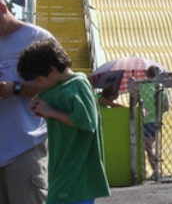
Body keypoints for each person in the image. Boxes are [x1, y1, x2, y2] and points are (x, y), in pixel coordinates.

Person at [16, 38, 110, 203]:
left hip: (77, 176)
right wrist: (43, 108)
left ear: (51, 69)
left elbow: (87, 122)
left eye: (38, 79)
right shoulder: (58, 88)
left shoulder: (79, 84)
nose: (39, 85)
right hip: (62, 172)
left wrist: (50, 111)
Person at [0, 0, 52, 204]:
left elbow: (60, 88)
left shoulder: (37, 38)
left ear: (3, 9)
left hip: (25, 146)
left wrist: (17, 88)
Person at [139, 65, 169, 175]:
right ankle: (155, 169)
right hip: (157, 120)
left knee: (148, 147)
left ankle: (155, 170)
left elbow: (136, 103)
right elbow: (166, 107)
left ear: (147, 74)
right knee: (150, 146)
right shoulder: (161, 88)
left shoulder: (141, 86)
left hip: (145, 120)